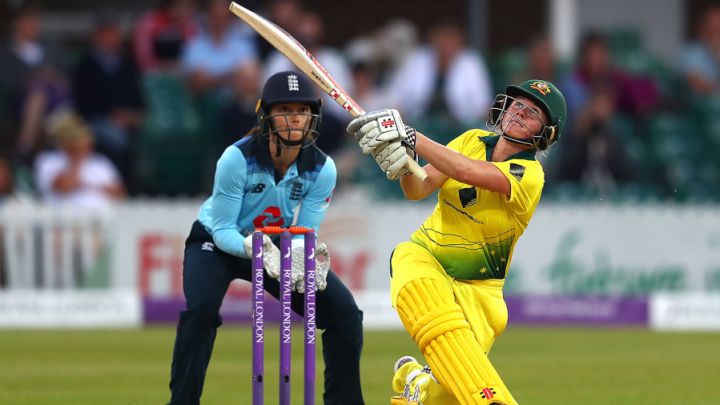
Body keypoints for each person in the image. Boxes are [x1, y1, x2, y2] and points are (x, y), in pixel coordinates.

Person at [346, 79, 567, 405]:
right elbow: (418, 189)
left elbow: (466, 171)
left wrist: (410, 136)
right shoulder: (470, 140)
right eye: (517, 104)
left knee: (449, 392)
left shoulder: (530, 175)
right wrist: (403, 162)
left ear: (546, 133)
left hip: (480, 290)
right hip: (426, 257)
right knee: (420, 286)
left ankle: (416, 380)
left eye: (533, 112)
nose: (520, 112)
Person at [167, 71, 365, 405]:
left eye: (302, 111)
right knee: (201, 312)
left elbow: (306, 230)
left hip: (275, 245)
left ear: (313, 117)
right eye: (284, 110)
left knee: (345, 315)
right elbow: (223, 230)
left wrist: (300, 254)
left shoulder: (322, 168)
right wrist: (253, 247)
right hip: (216, 243)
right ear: (265, 115)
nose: (295, 118)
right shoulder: (236, 158)